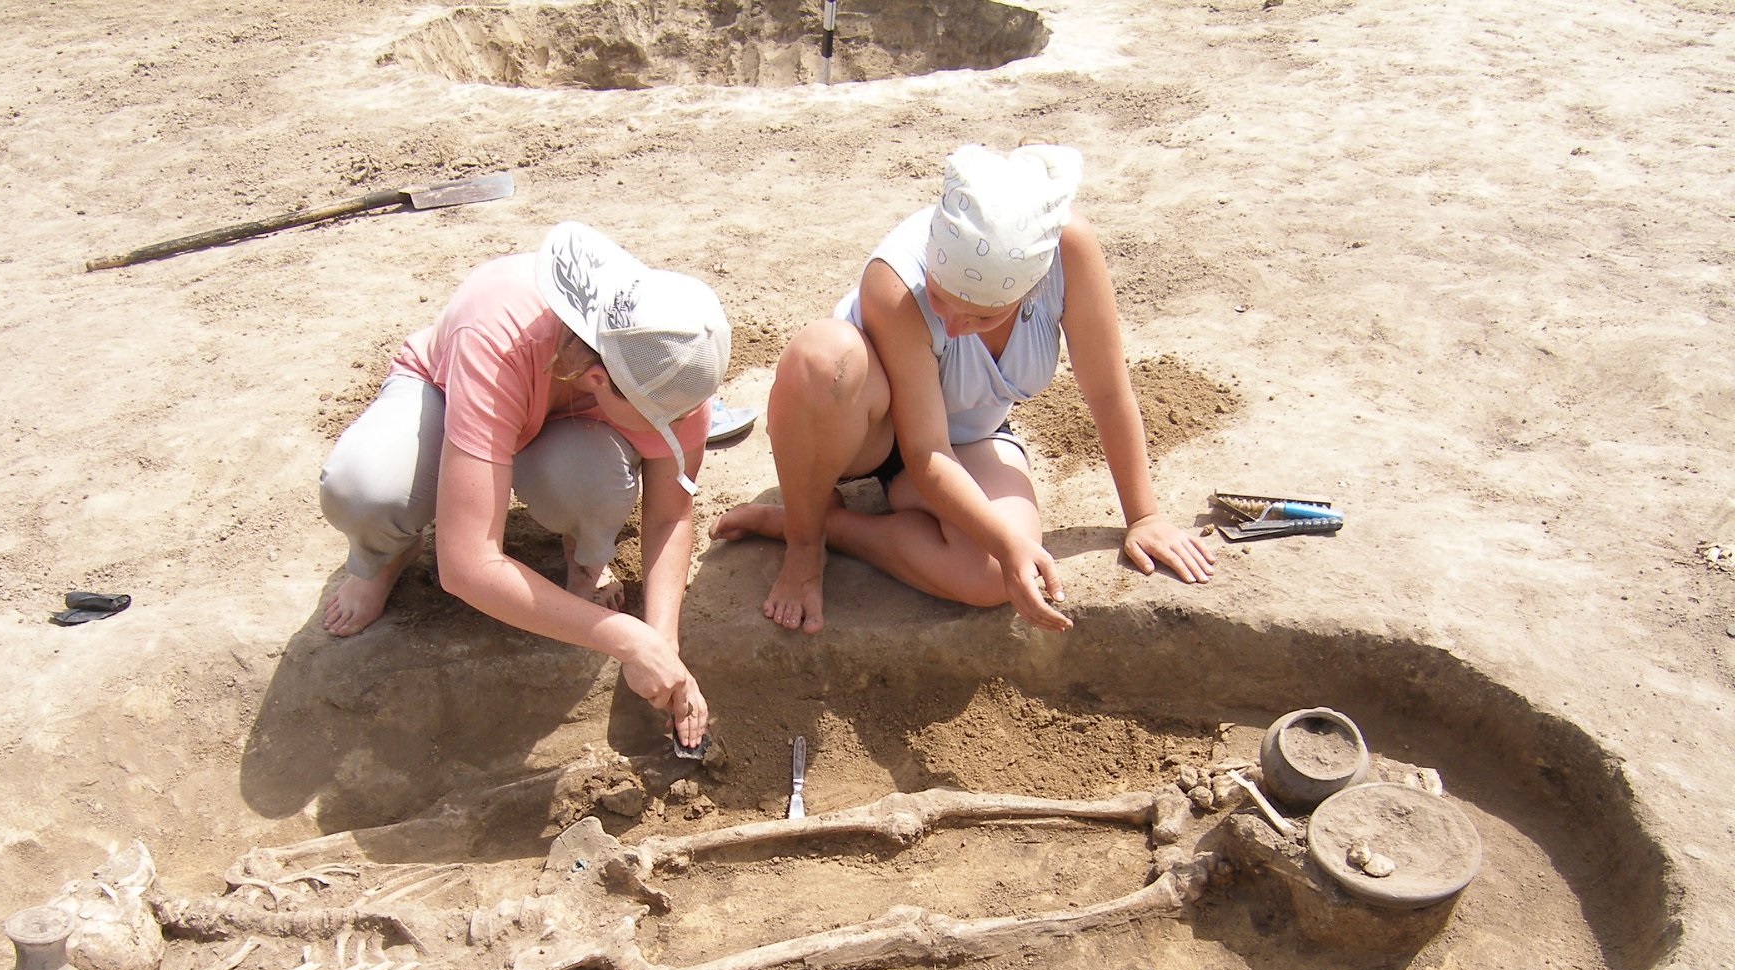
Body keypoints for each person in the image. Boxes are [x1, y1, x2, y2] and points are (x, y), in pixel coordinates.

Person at [711, 143, 1215, 635]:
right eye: (940, 299)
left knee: (993, 576)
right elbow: (924, 449)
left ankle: (821, 524)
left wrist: (1143, 516)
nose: (951, 327)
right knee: (822, 357)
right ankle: (804, 544)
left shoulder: (1069, 252)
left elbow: (1107, 393)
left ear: (1030, 287)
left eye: (982, 315)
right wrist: (1001, 538)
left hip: (970, 431)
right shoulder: (893, 281)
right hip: (867, 429)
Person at [318, 221, 728, 748]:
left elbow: (671, 513)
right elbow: (466, 567)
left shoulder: (674, 357)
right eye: (655, 420)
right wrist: (626, 639)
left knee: (592, 479)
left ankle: (585, 559)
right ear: (600, 380)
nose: (670, 429)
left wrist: (663, 644)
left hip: (561, 425)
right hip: (448, 397)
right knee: (367, 489)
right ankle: (384, 553)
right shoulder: (499, 334)